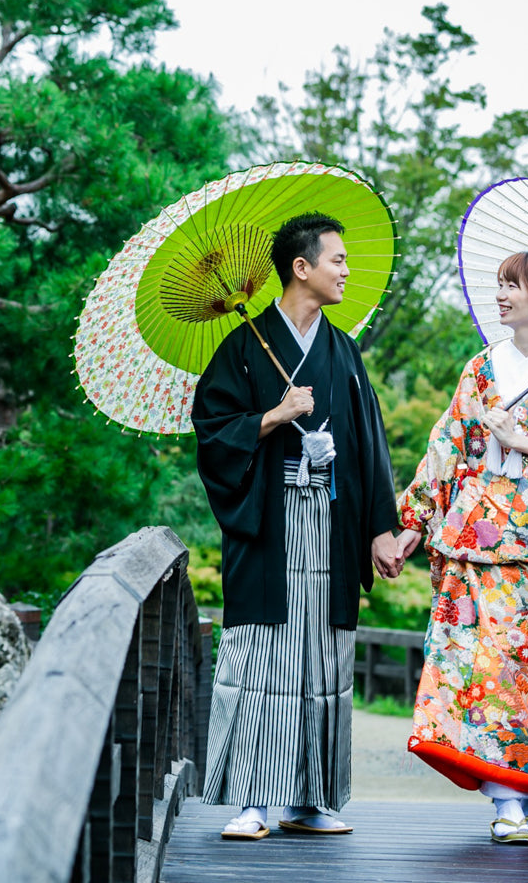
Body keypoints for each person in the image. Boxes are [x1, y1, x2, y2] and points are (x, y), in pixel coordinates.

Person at [384, 249, 528, 844]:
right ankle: (505, 803)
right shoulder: (483, 368)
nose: (502, 295)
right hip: (476, 534)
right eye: (500, 285)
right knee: (485, 665)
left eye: (512, 286)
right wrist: (412, 522)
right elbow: (447, 444)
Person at [191, 212, 400, 841]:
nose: (345, 271)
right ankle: (253, 799)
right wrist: (273, 416)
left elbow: (370, 445)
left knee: (321, 662)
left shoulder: (343, 351)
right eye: (336, 259)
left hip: (332, 524)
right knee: (263, 657)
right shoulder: (242, 349)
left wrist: (380, 529)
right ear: (301, 267)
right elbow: (211, 435)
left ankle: (311, 798)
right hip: (270, 525)